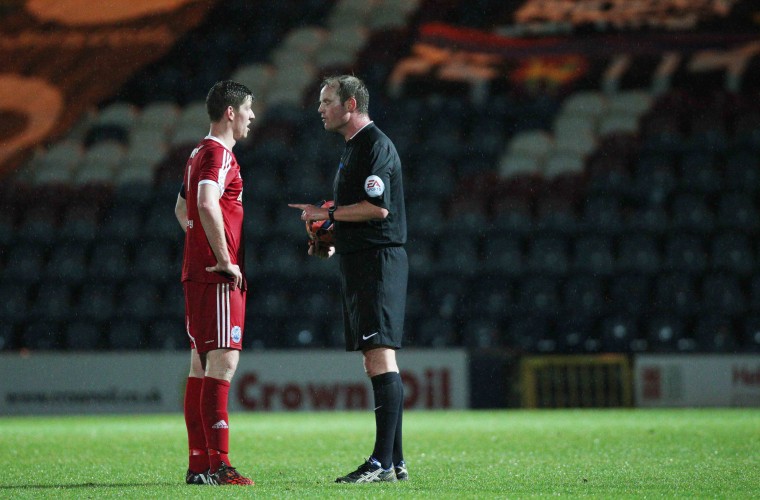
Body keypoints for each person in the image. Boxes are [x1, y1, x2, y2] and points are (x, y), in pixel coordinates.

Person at [289, 75, 409, 484]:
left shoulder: (375, 145)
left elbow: (377, 210)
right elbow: (357, 215)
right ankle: (395, 460)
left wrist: (329, 216)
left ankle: (382, 464)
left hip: (378, 262)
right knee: (375, 357)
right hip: (362, 260)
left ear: (351, 104)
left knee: (380, 356)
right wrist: (330, 241)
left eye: (326, 101)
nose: (320, 108)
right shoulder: (354, 149)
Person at [174, 80, 255, 486]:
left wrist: (198, 244)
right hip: (215, 276)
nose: (251, 117)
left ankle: (199, 465)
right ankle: (219, 465)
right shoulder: (218, 154)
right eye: (247, 109)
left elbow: (181, 206)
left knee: (200, 365)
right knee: (223, 362)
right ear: (230, 112)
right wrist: (223, 259)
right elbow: (204, 202)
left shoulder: (196, 153)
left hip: (196, 272)